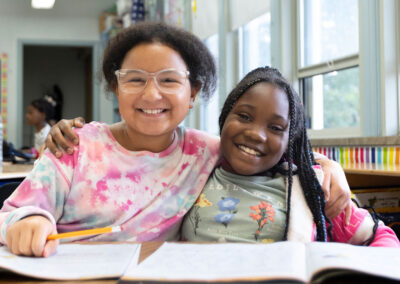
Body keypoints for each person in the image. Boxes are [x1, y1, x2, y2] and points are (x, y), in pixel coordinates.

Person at [1, 22, 349, 258]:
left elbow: (265, 151)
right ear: (115, 87)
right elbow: (11, 214)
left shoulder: (204, 151)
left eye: (169, 80)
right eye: (135, 79)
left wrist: (329, 166)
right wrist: (30, 221)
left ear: (193, 92)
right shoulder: (75, 147)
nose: (152, 94)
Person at [181, 67, 399, 247]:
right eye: (244, 116)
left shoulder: (311, 188)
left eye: (276, 127)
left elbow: (384, 240)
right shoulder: (196, 166)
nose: (256, 134)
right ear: (224, 117)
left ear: (290, 140)